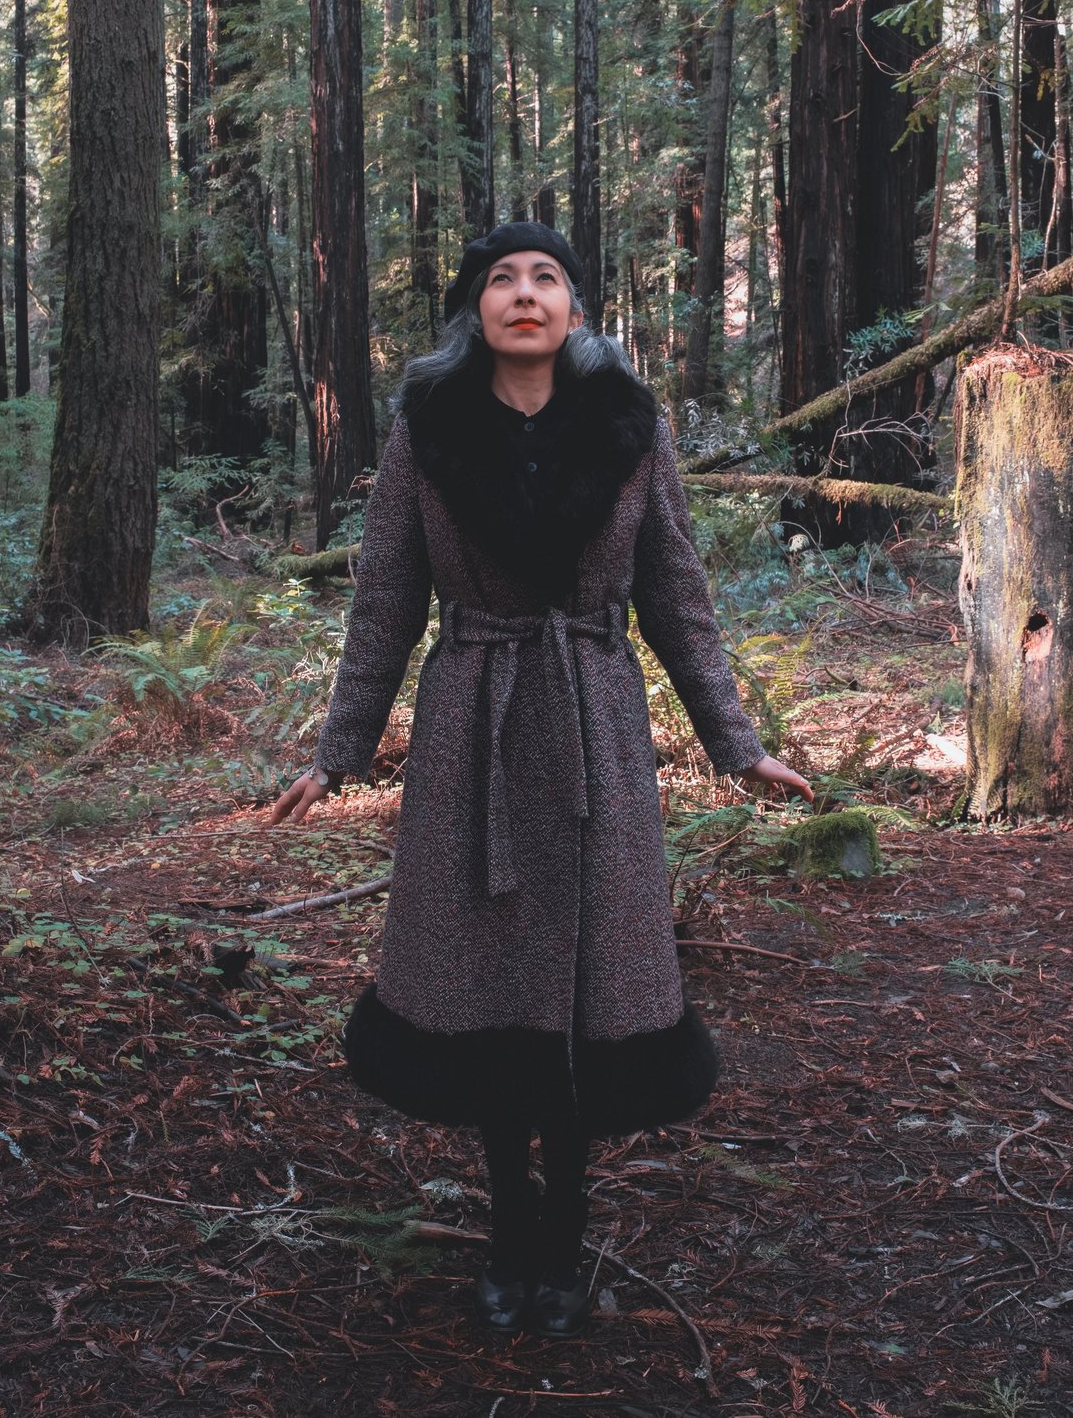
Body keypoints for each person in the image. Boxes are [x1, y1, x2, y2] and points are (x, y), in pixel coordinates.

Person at [270, 222, 812, 1337]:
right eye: (502, 280)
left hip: (594, 725)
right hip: (471, 725)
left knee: (586, 987)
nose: (525, 295)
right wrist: (337, 751)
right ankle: (508, 1231)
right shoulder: (428, 429)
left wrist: (735, 740)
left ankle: (564, 1232)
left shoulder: (629, 425)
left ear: (575, 308)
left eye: (547, 278)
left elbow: (676, 592)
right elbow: (385, 600)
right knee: (486, 983)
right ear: (475, 309)